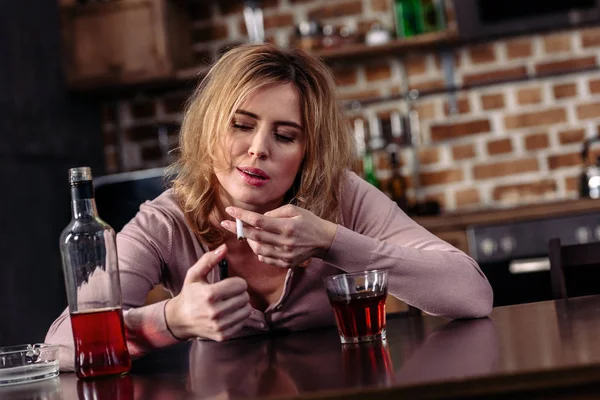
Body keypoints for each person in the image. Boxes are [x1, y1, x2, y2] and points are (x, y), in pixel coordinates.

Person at [46, 43, 493, 370]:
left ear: (308, 153)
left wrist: (330, 240)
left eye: (285, 135)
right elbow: (63, 344)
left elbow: (471, 293)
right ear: (209, 130)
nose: (258, 149)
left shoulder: (342, 195)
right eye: (241, 125)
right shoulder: (167, 221)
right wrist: (173, 319)